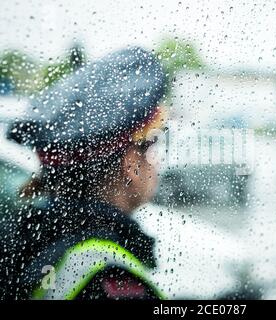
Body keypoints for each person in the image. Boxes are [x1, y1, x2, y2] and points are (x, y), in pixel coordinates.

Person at [0, 47, 168, 300]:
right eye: (153, 144)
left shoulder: (24, 241)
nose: (156, 162)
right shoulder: (113, 282)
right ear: (132, 164)